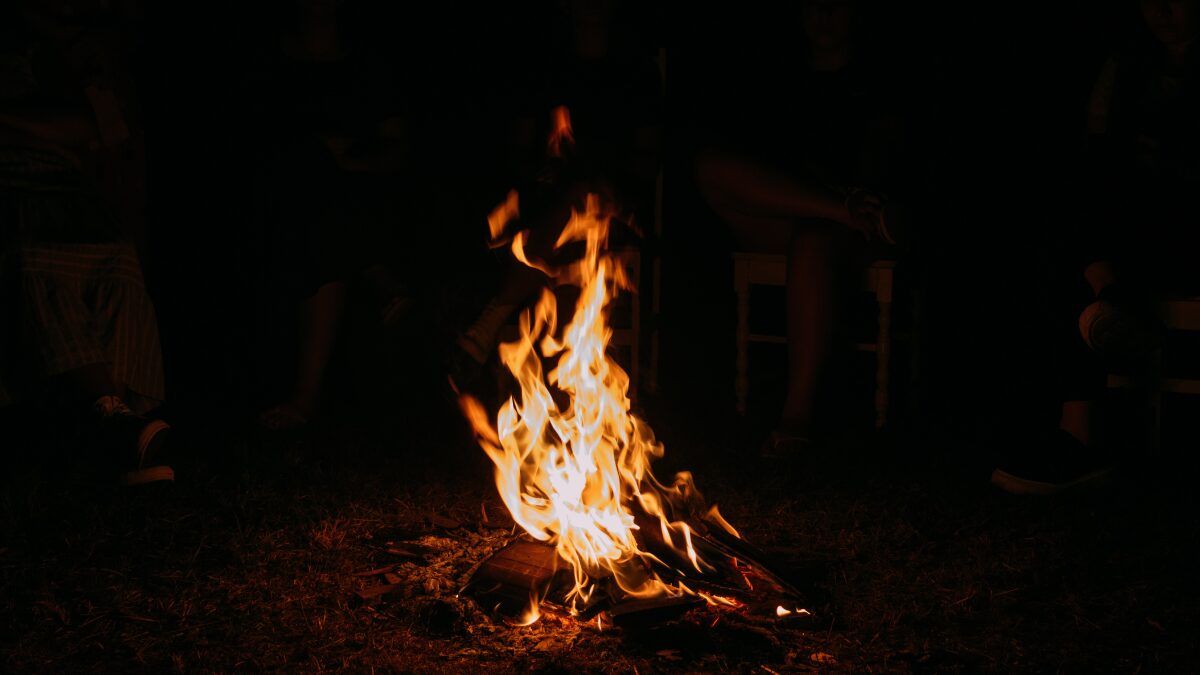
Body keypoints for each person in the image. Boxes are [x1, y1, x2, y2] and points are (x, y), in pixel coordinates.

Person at [991, 0, 1200, 494]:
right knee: (1070, 214)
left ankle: (1080, 439)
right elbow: (1098, 140)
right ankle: (1112, 299)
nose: (1163, 11)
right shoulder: (1128, 64)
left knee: (1074, 244)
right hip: (1129, 225)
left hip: (1182, 224)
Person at [693, 0, 903, 455]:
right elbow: (760, 162)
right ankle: (835, 209)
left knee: (814, 240)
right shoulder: (781, 78)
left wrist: (852, 199)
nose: (824, 14)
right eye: (813, 3)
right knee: (711, 167)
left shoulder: (876, 83)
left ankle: (796, 415)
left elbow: (878, 165)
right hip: (800, 213)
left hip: (852, 228)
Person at [0, 3, 171, 485]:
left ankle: (109, 421)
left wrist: (15, 125)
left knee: (114, 258)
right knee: (33, 258)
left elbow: (92, 126)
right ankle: (111, 422)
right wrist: (47, 135)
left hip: (67, 191)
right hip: (12, 190)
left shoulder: (66, 58)